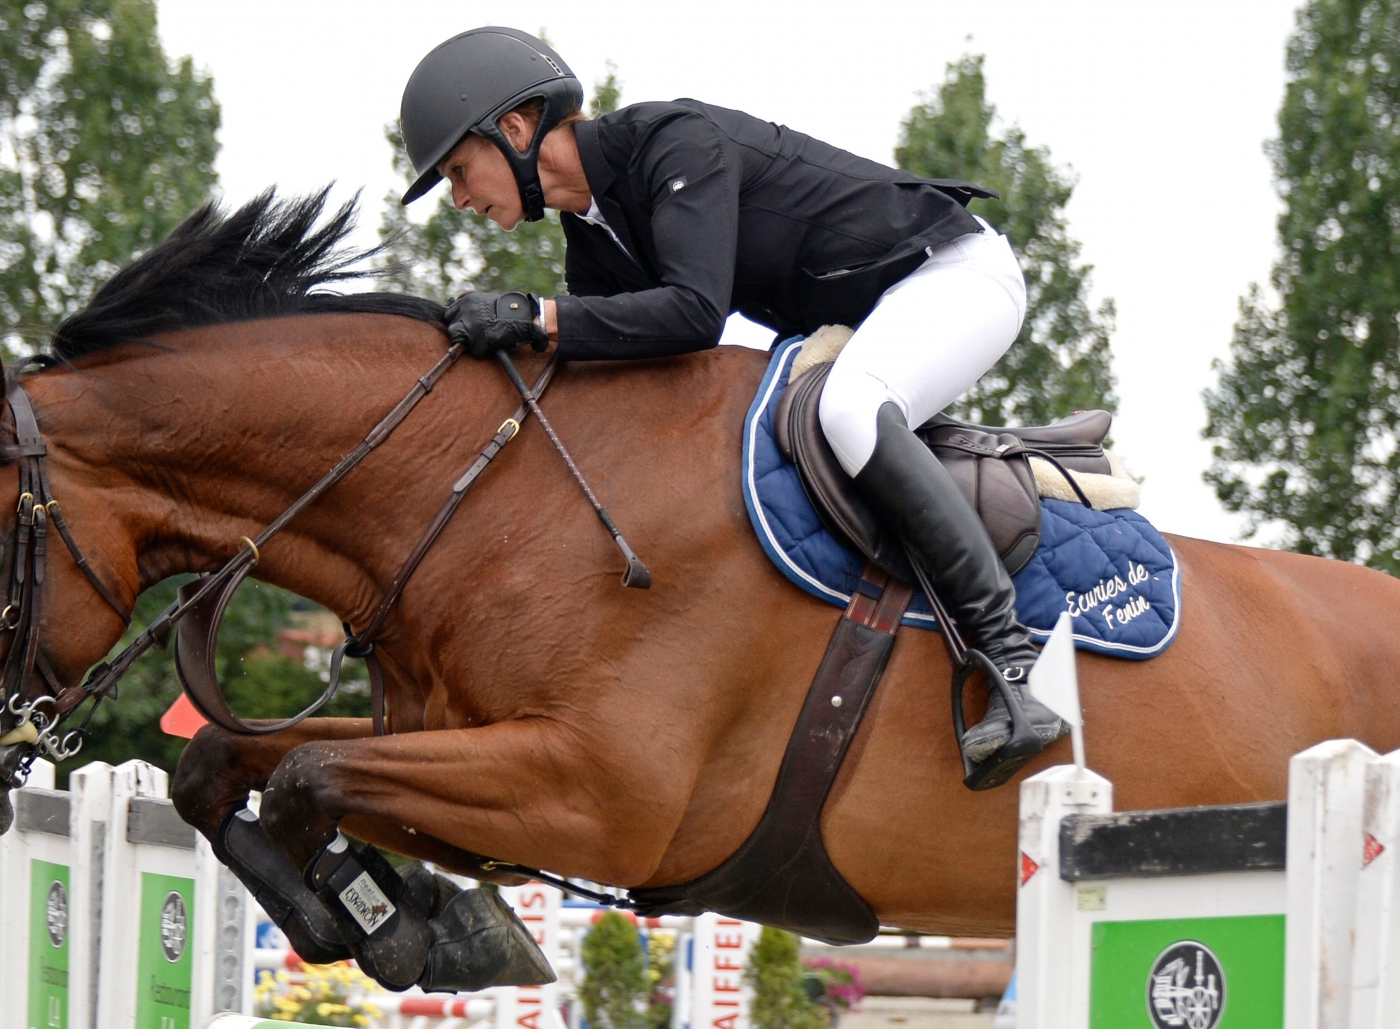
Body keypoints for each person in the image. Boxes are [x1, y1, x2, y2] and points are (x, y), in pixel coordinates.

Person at [397, 26, 1070, 777]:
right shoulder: (592, 236)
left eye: (460, 170)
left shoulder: (671, 140)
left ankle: (1013, 662)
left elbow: (692, 313)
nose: (459, 199)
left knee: (847, 410)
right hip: (874, 315)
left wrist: (536, 316)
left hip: (953, 275)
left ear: (515, 129)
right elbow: (608, 378)